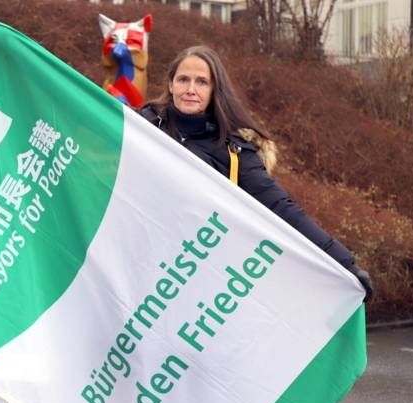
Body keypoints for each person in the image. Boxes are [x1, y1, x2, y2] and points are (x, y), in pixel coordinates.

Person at [139, 45, 373, 301]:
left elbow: (280, 207)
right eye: (183, 79)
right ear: (171, 84)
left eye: (202, 82)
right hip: (135, 263)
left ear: (214, 90)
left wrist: (345, 264)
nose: (191, 89)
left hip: (184, 279)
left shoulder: (234, 151)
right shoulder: (140, 126)